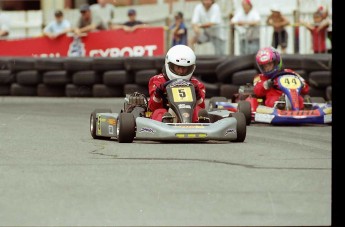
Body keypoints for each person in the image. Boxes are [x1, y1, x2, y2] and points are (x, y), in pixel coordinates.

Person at [148, 44, 209, 123]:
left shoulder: (197, 84)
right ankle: (165, 124)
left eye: (185, 68)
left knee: (198, 111)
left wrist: (197, 96)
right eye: (178, 67)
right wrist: (158, 94)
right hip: (166, 114)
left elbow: (201, 108)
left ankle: (201, 127)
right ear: (169, 65)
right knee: (159, 112)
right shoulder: (157, 80)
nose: (181, 71)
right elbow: (152, 108)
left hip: (188, 116)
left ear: (191, 67)